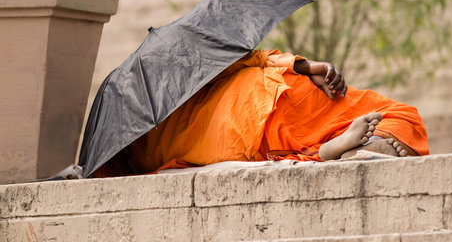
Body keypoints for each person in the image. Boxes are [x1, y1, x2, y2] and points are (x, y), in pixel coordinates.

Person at [111, 49, 429, 175]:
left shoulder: (143, 156)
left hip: (244, 141)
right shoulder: (175, 74)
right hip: (270, 93)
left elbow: (182, 167)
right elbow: (249, 57)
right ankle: (342, 148)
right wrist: (306, 66)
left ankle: (324, 153)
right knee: (401, 113)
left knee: (290, 149)